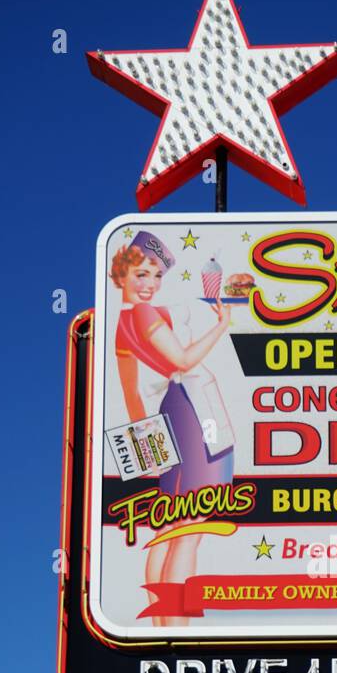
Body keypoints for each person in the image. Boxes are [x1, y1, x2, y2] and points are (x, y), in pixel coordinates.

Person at [110, 230, 234, 625]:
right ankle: (178, 627)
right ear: (121, 276)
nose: (149, 285)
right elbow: (181, 360)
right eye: (141, 275)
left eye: (156, 276)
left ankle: (161, 627)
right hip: (192, 414)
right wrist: (221, 325)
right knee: (191, 527)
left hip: (171, 417)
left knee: (170, 526)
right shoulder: (145, 315)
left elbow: (132, 394)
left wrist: (149, 452)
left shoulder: (121, 323)